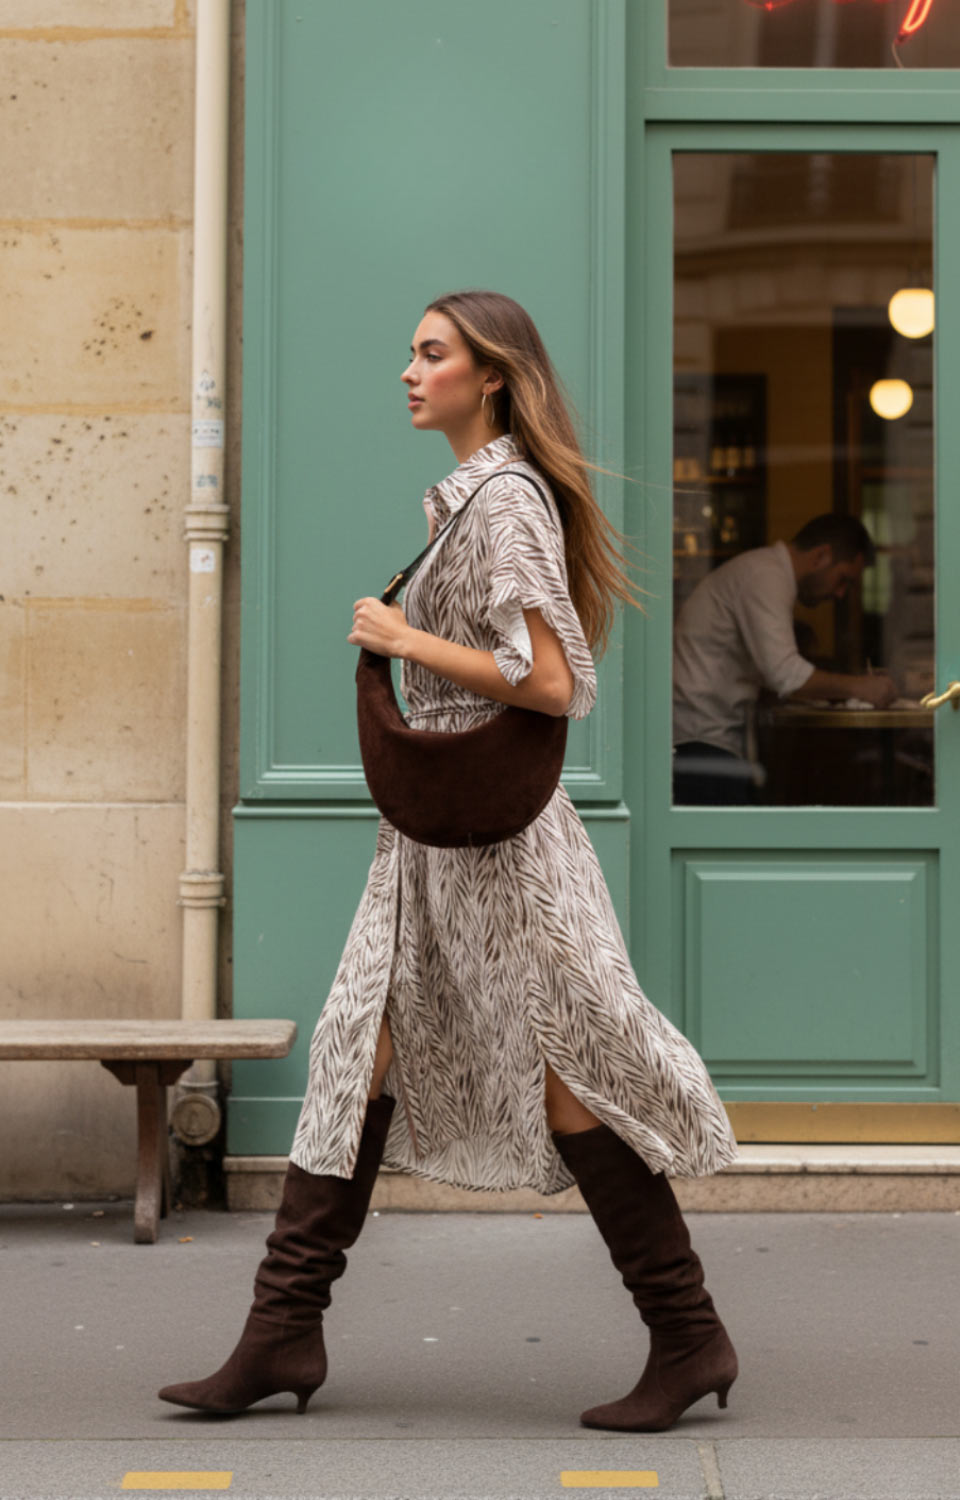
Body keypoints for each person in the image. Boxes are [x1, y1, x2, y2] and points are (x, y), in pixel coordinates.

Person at [158, 290, 741, 1433]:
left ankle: (687, 1334)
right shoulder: (470, 502)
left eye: (432, 354)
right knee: (353, 1054)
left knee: (574, 1081)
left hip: (503, 854)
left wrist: (400, 636)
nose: (408, 371)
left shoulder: (505, 501)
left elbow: (553, 679)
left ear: (492, 375)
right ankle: (282, 1332)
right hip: (434, 847)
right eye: (411, 353)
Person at [672, 514, 897, 805]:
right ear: (822, 556)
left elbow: (773, 671)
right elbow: (785, 674)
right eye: (844, 580)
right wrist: (861, 688)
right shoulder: (765, 576)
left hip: (705, 740)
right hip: (700, 745)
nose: (841, 594)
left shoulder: (764, 572)